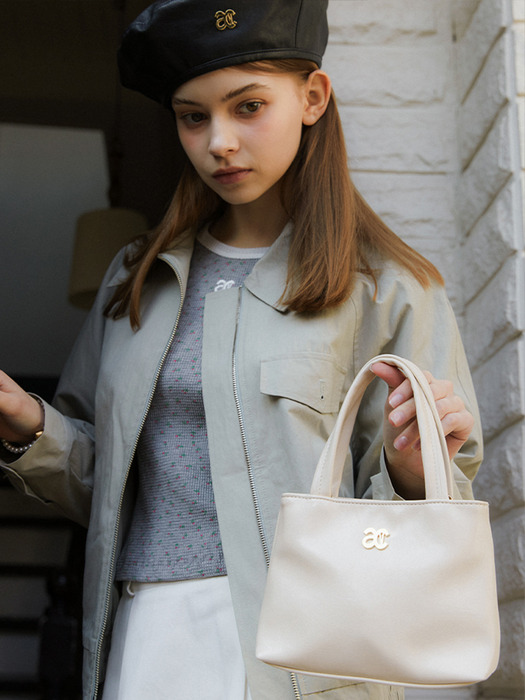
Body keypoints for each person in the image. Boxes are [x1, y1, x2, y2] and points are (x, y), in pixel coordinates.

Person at [0, 1, 482, 699]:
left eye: (247, 106)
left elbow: (435, 508)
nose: (218, 141)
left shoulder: (390, 288)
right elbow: (103, 484)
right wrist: (27, 424)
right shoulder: (137, 279)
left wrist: (410, 473)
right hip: (150, 630)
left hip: (310, 647)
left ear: (312, 97)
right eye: (193, 116)